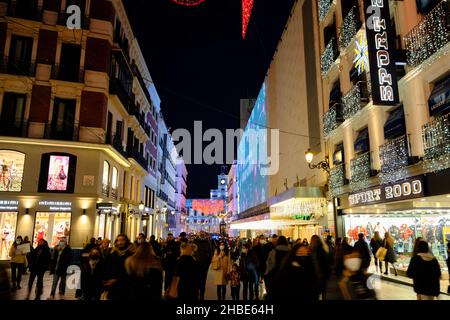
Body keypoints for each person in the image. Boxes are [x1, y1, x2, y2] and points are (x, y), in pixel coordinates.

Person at [104, 234, 134, 300]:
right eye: (118, 240)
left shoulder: (131, 254)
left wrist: (117, 280)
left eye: (122, 240)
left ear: (126, 241)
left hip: (126, 288)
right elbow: (108, 268)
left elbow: (132, 272)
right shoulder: (112, 253)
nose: (120, 242)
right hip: (113, 288)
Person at [310, 235, 332, 300]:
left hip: (315, 276)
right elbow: (327, 263)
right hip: (323, 275)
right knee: (323, 292)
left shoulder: (312, 251)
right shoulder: (323, 250)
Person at [193, 230, 213, 300]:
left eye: (203, 233)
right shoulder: (195, 241)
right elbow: (192, 252)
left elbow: (210, 253)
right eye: (200, 233)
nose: (202, 234)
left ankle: (202, 296)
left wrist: (208, 262)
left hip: (205, 264)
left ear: (204, 234)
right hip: (196, 264)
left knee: (203, 281)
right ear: (199, 234)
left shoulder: (207, 242)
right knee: (196, 280)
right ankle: (196, 295)